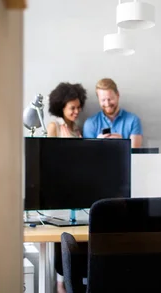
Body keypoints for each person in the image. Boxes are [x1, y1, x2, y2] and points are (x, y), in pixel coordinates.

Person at [45, 82, 88, 293]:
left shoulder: (78, 128)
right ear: (61, 107)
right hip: (60, 188)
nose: (76, 111)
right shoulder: (55, 126)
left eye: (78, 106)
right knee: (61, 241)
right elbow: (49, 157)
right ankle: (62, 284)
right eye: (72, 107)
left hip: (78, 185)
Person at [83, 78, 143, 148]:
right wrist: (97, 143)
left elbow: (134, 154)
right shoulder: (90, 123)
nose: (107, 103)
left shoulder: (133, 120)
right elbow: (88, 155)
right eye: (103, 100)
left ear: (117, 95)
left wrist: (122, 142)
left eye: (110, 99)